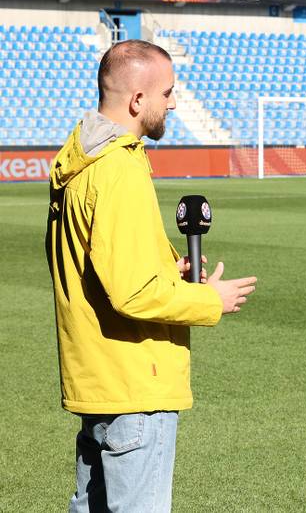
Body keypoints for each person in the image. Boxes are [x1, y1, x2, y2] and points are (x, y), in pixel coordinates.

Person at [45, 39, 257, 513]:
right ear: (138, 100)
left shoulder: (78, 159)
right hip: (135, 382)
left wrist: (169, 270)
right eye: (167, 92)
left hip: (99, 377)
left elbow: (92, 266)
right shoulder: (118, 168)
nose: (175, 102)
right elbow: (132, 293)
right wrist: (210, 301)